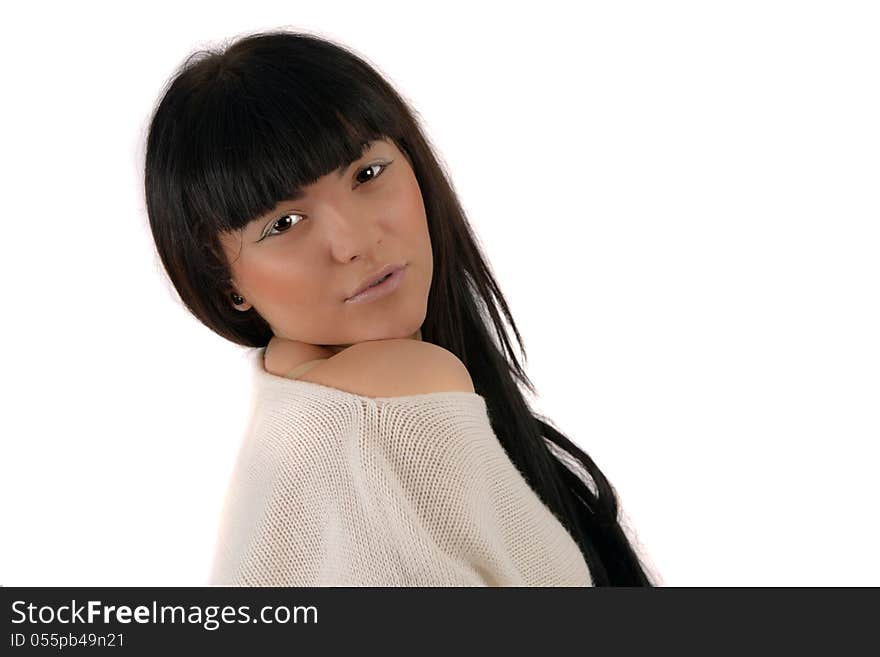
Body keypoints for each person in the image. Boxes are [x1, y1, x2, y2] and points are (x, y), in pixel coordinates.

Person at [144, 29, 658, 586]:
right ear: (225, 284)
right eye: (283, 223)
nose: (354, 241)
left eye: (366, 174)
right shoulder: (392, 403)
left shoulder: (304, 432)